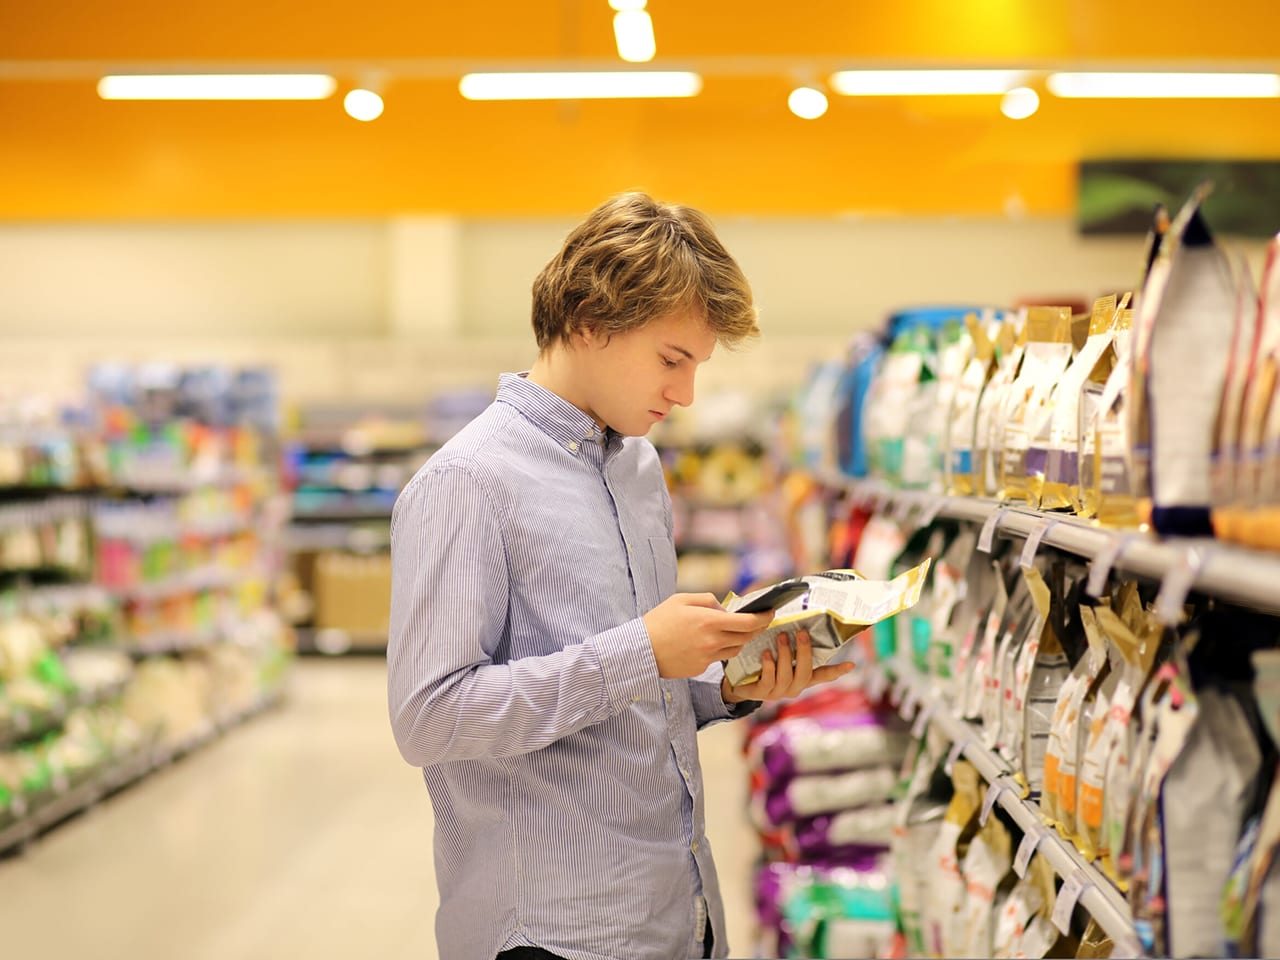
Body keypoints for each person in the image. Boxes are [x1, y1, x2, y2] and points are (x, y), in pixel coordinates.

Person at [387, 191, 854, 960]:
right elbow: (430, 718)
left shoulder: (636, 465)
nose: (686, 394)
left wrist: (728, 682)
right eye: (673, 360)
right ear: (588, 322)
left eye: (697, 366)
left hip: (675, 911)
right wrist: (643, 650)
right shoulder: (466, 484)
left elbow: (630, 686)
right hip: (554, 934)